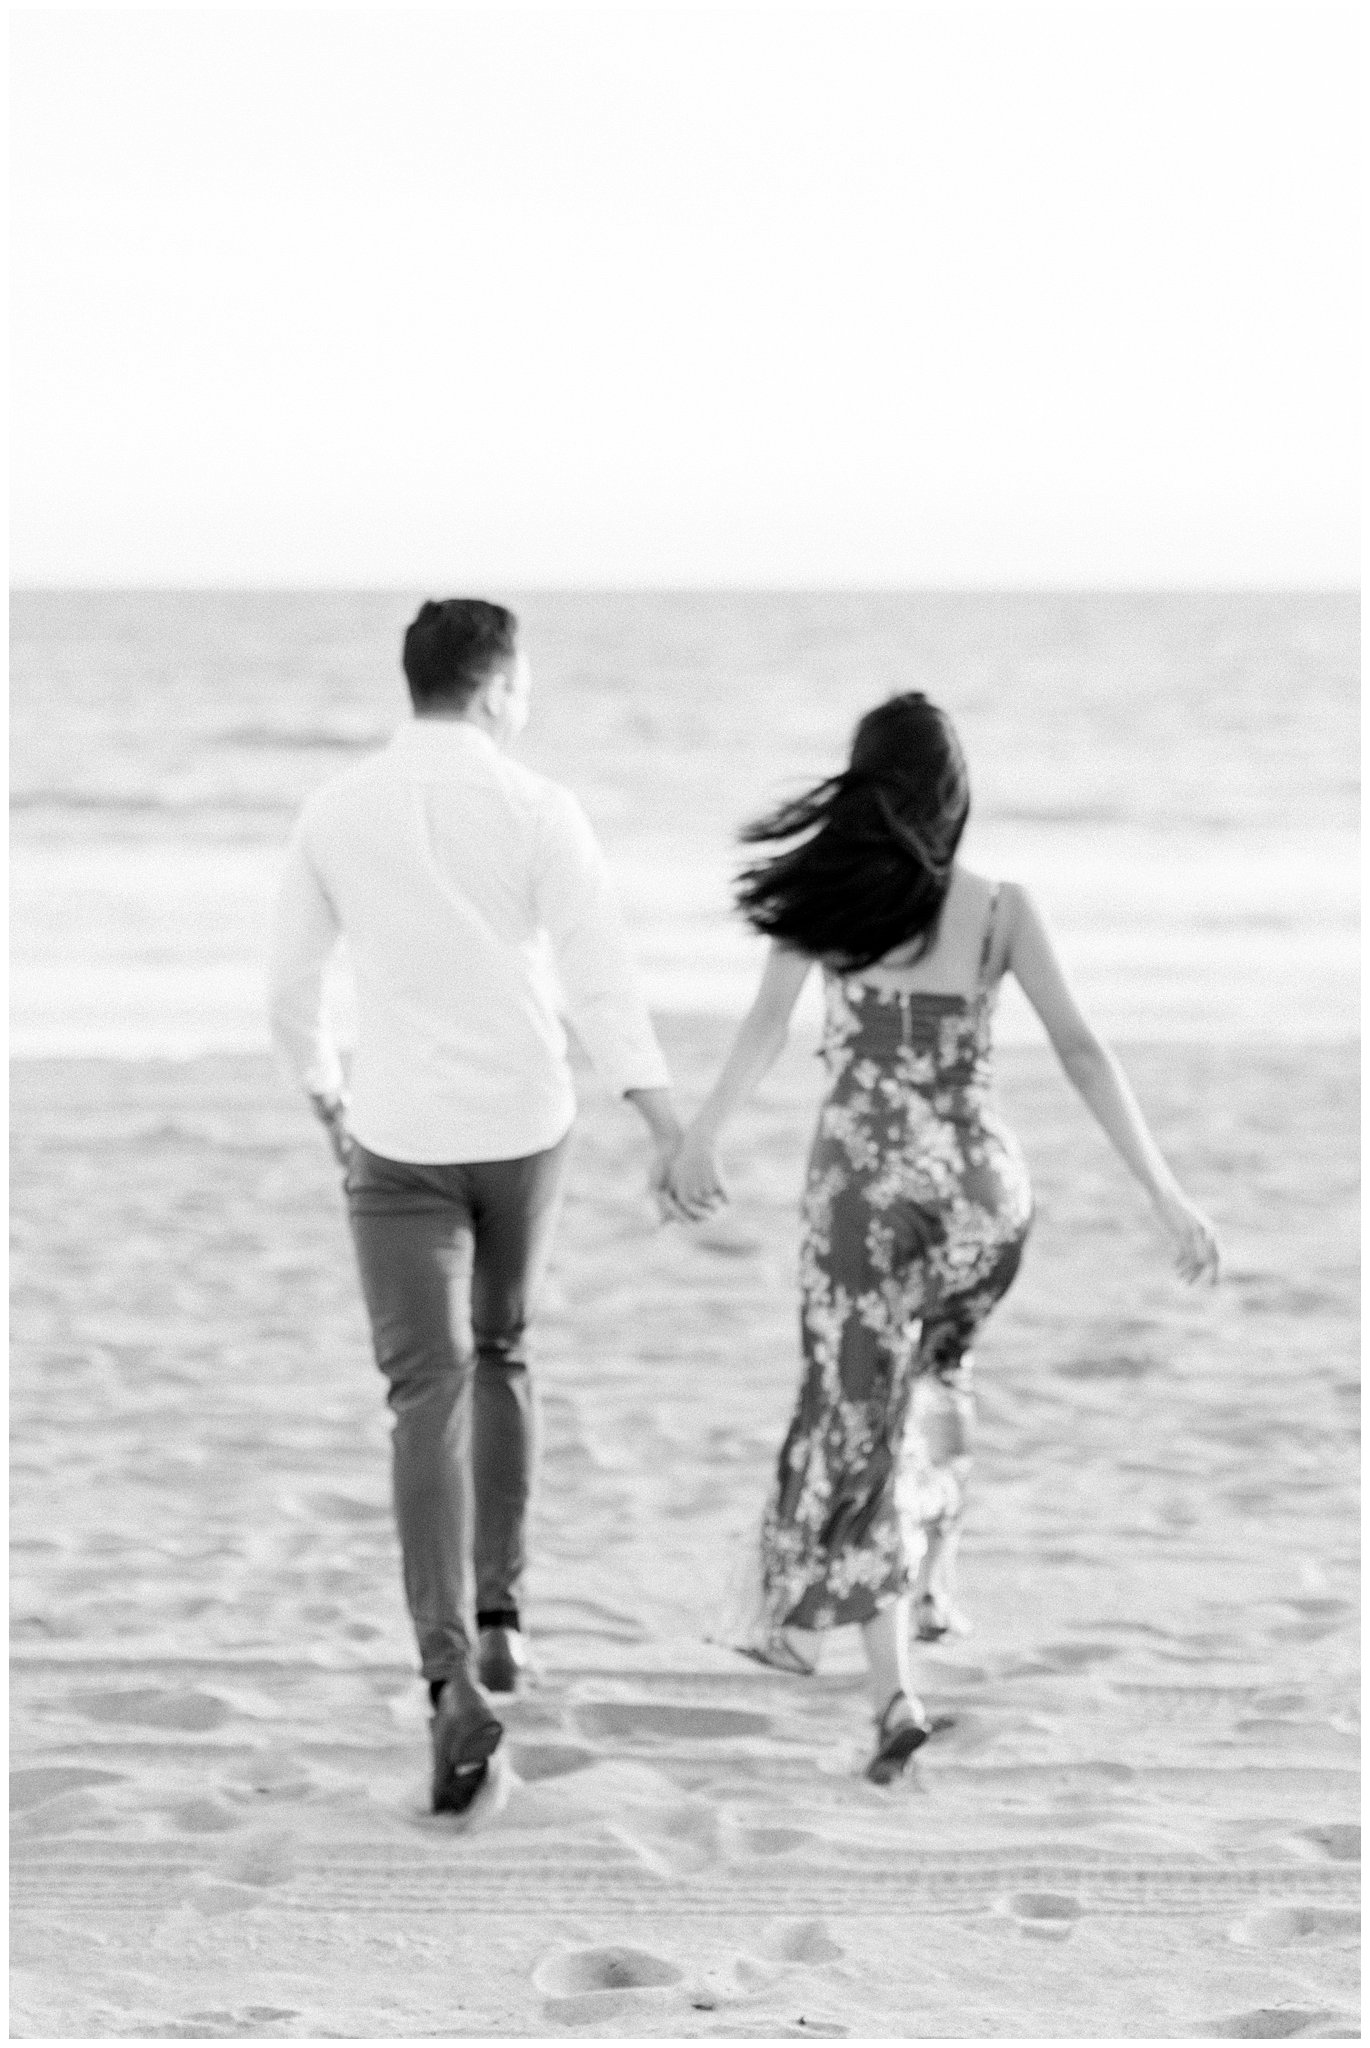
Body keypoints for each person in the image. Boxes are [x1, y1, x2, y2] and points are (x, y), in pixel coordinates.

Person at [667, 692, 1220, 1785]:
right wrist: (1163, 1192)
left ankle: (892, 1695)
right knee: (937, 1380)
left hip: (867, 1194)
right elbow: (1080, 1047)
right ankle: (923, 1588)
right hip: (982, 1197)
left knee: (855, 1414)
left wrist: (700, 1133)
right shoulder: (1002, 907)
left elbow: (767, 1027)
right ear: (951, 799)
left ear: (863, 787)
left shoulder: (824, 903)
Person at [267, 598, 685, 1815]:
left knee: (421, 1392)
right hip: (525, 1126)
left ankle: (448, 1675)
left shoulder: (334, 811)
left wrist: (323, 1094)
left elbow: (290, 987)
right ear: (500, 686)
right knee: (503, 1351)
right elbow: (599, 968)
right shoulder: (540, 807)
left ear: (417, 684)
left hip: (395, 1138)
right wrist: (657, 1114)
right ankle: (501, 1611)